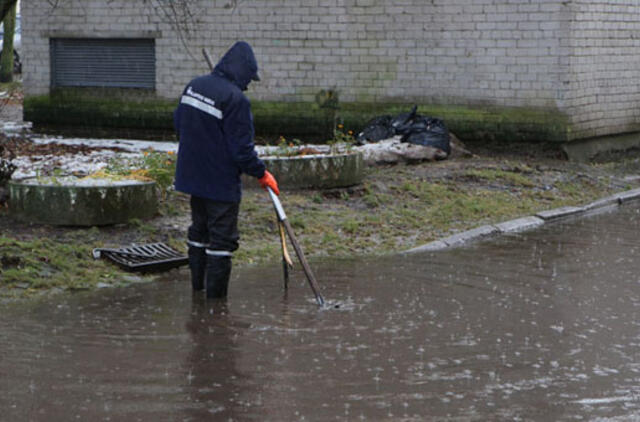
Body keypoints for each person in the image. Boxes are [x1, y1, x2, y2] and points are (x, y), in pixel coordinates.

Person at [173, 41, 279, 299]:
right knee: (222, 241)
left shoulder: (194, 85)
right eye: (249, 79)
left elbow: (180, 123)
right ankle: (216, 307)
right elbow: (242, 151)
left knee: (199, 231)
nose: (248, 85)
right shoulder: (236, 100)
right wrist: (262, 173)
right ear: (241, 71)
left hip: (192, 176)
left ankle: (197, 292)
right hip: (220, 184)